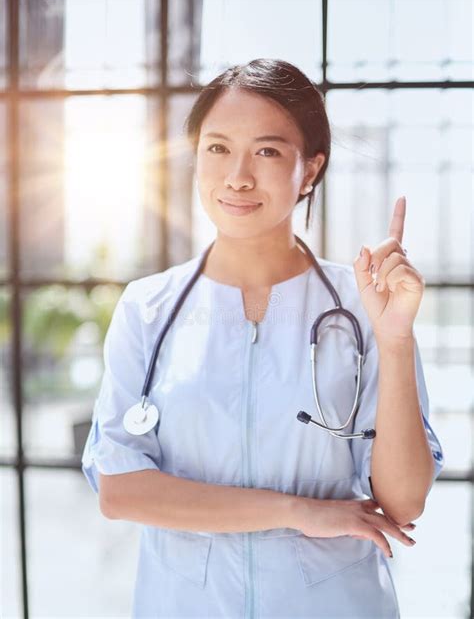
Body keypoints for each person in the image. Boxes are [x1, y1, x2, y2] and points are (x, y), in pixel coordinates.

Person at [81, 58, 444, 618]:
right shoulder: (147, 308)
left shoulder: (364, 306)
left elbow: (402, 499)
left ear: (310, 169)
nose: (238, 176)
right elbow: (120, 491)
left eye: (268, 151)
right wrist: (298, 511)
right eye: (218, 148)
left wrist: (394, 340)